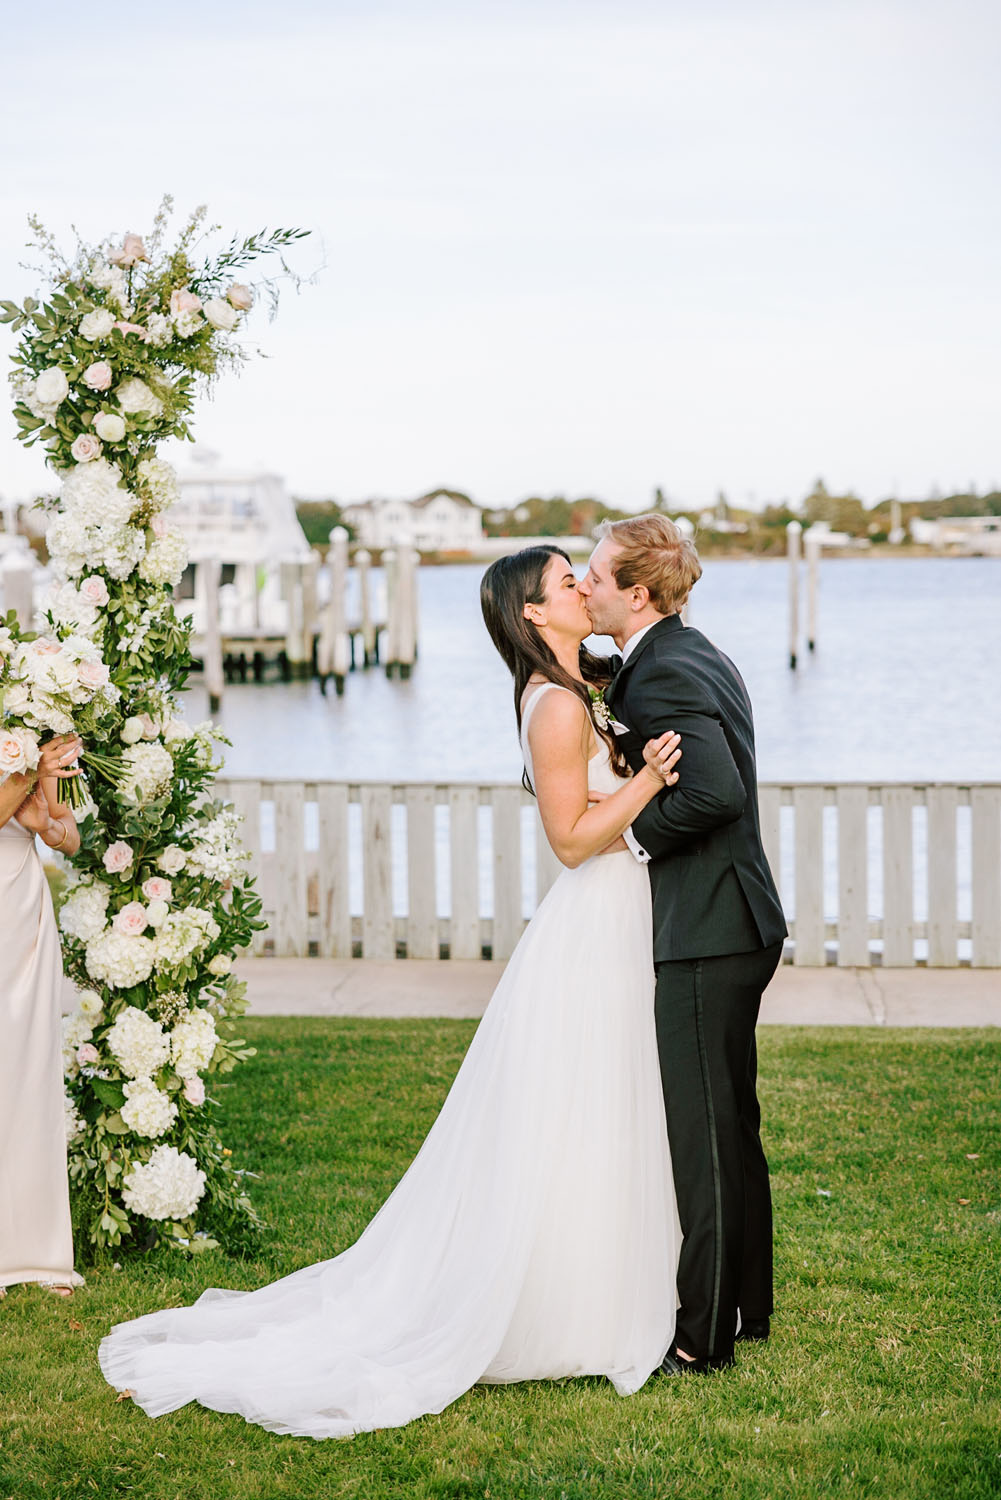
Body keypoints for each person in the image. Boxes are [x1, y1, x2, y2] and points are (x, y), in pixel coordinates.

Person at [98, 546, 684, 1440]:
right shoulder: (557, 704)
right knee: (578, 1107)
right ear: (533, 614)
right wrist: (645, 780)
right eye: (567, 582)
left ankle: (604, 1283)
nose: (580, 589)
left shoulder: (583, 687)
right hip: (591, 915)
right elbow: (569, 839)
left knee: (601, 1107)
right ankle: (562, 1305)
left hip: (614, 918)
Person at [579, 514, 786, 1374]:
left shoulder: (659, 673)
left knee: (701, 1136)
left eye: (593, 575)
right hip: (737, 918)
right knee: (730, 1125)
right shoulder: (687, 652)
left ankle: (701, 1339)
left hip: (706, 926)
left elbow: (716, 793)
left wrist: (631, 833)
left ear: (634, 591)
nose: (583, 585)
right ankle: (748, 1305)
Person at [1, 732, 84, 1302]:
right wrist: (28, 774)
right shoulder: (29, 754)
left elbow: (67, 835)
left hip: (22, 903)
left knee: (29, 1069)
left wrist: (44, 826)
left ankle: (36, 1250)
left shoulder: (30, 729)